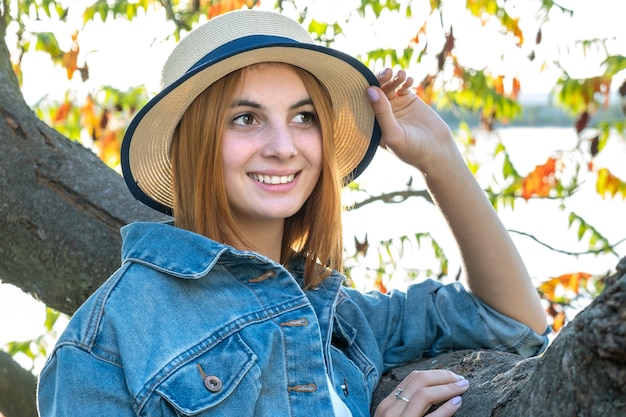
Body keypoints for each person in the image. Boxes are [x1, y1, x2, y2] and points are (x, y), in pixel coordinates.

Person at [37, 9, 549, 417]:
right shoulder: (106, 344)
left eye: (303, 117)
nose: (283, 147)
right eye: (245, 118)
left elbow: (513, 322)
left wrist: (440, 159)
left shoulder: (337, 316)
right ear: (192, 145)